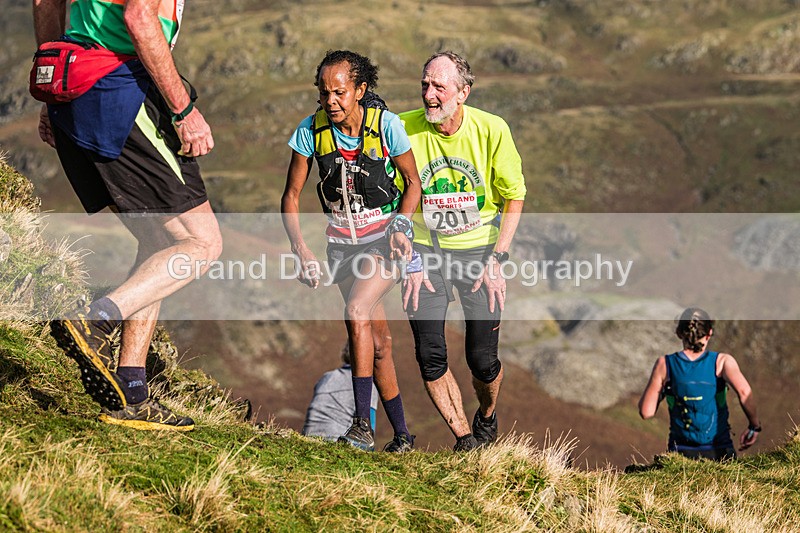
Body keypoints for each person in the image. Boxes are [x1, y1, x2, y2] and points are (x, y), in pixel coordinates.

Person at [34, 0, 222, 430]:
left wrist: (55, 87)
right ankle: (95, 320)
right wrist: (184, 110)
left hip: (76, 87)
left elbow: (46, 1)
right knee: (202, 243)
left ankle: (132, 393)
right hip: (118, 91)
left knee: (158, 241)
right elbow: (139, 17)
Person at [281, 50, 422, 452]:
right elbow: (290, 196)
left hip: (385, 241)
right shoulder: (310, 132)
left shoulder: (387, 126)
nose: (331, 102)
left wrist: (401, 224)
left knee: (356, 311)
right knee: (378, 344)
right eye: (324, 93)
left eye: (340, 92)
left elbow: (413, 183)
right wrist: (301, 250)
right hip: (341, 247)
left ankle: (361, 425)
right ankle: (403, 437)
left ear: (360, 90)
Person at [400, 51, 526, 452]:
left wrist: (498, 260)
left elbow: (515, 197)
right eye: (424, 85)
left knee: (482, 361)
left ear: (463, 92)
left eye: (439, 86)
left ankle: (486, 416)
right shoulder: (401, 128)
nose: (429, 95)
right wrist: (410, 259)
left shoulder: (492, 129)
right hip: (425, 252)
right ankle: (466, 440)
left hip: (479, 253)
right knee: (430, 355)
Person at [638, 307, 761, 460]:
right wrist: (754, 426)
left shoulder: (665, 364)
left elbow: (646, 412)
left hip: (680, 452)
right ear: (709, 333)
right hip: (720, 450)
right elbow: (744, 392)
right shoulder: (722, 362)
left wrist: (664, 390)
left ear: (679, 333)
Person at [302, 342, 379, 440]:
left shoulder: (327, 377)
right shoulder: (367, 384)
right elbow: (369, 430)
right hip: (337, 440)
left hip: (308, 437)